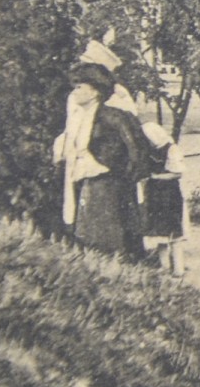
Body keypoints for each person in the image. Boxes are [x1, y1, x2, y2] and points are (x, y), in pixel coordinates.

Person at [53, 37, 151, 260]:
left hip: (105, 165)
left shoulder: (118, 98)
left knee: (112, 211)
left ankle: (121, 251)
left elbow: (128, 134)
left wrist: (118, 165)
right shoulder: (75, 98)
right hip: (79, 158)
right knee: (78, 204)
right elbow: (73, 125)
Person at [141, 120, 187, 276]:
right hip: (154, 194)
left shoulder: (171, 149)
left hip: (169, 194)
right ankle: (164, 265)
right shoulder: (149, 151)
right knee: (159, 231)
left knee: (173, 231)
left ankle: (179, 268)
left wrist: (156, 177)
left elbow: (177, 173)